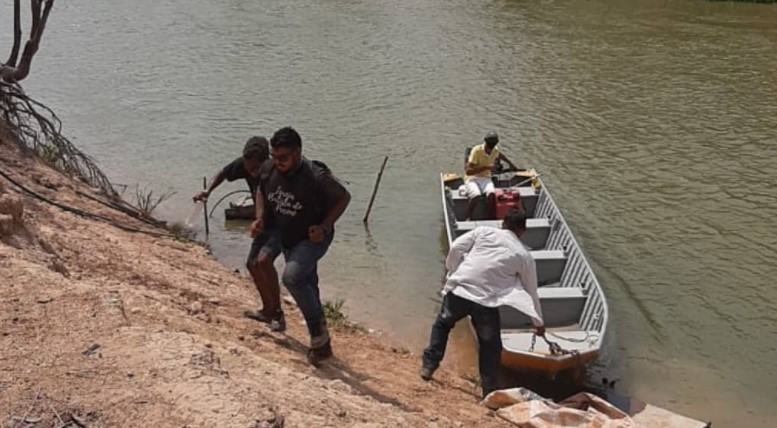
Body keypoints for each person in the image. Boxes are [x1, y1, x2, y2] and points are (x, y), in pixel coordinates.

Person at [251, 126, 351, 365]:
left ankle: (320, 340)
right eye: (274, 157)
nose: (278, 162)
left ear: (298, 153)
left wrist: (325, 227)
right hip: (284, 232)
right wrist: (260, 217)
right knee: (299, 279)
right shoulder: (269, 169)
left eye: (283, 158)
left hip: (311, 237)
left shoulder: (315, 176)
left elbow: (343, 197)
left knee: (293, 277)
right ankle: (278, 314)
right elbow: (261, 192)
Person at [420, 208, 545, 398]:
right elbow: (531, 291)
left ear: (503, 224)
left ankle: (429, 366)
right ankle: (489, 390)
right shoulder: (523, 255)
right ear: (522, 231)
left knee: (443, 324)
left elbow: (455, 249)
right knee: (490, 346)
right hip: (485, 303)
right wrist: (539, 323)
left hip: (460, 291)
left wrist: (453, 273)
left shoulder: (483, 232)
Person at [193, 136, 286, 331]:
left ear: (265, 161)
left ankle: (278, 314)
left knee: (264, 261)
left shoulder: (275, 169)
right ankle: (267, 310)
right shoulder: (245, 164)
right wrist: (207, 190)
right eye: (248, 168)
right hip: (261, 222)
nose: (252, 173)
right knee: (252, 264)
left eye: (255, 169)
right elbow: (224, 173)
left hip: (281, 223)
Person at [464, 131, 519, 220]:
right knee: (476, 195)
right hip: (472, 178)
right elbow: (468, 171)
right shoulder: (476, 150)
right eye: (489, 146)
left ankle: (487, 216)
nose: (490, 150)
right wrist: (487, 167)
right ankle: (468, 217)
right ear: (485, 142)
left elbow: (500, 155)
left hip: (486, 178)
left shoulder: (495, 150)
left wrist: (511, 164)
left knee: (492, 194)